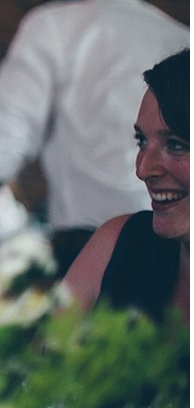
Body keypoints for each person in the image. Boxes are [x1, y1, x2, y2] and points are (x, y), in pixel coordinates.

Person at [0, 0, 188, 272]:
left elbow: (5, 140)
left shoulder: (51, 25)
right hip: (176, 245)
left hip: (85, 247)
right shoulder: (181, 37)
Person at [64, 48, 188, 326]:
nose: (143, 169)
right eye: (142, 141)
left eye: (176, 145)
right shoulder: (117, 243)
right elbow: (40, 362)